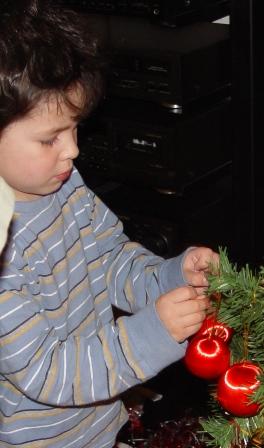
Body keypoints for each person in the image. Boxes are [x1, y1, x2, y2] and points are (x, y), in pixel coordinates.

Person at [0, 1, 219, 446]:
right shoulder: (3, 245)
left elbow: (113, 262)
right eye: (50, 138)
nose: (73, 150)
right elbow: (48, 372)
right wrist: (151, 334)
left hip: (100, 423)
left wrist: (171, 276)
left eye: (75, 128)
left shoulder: (65, 185)